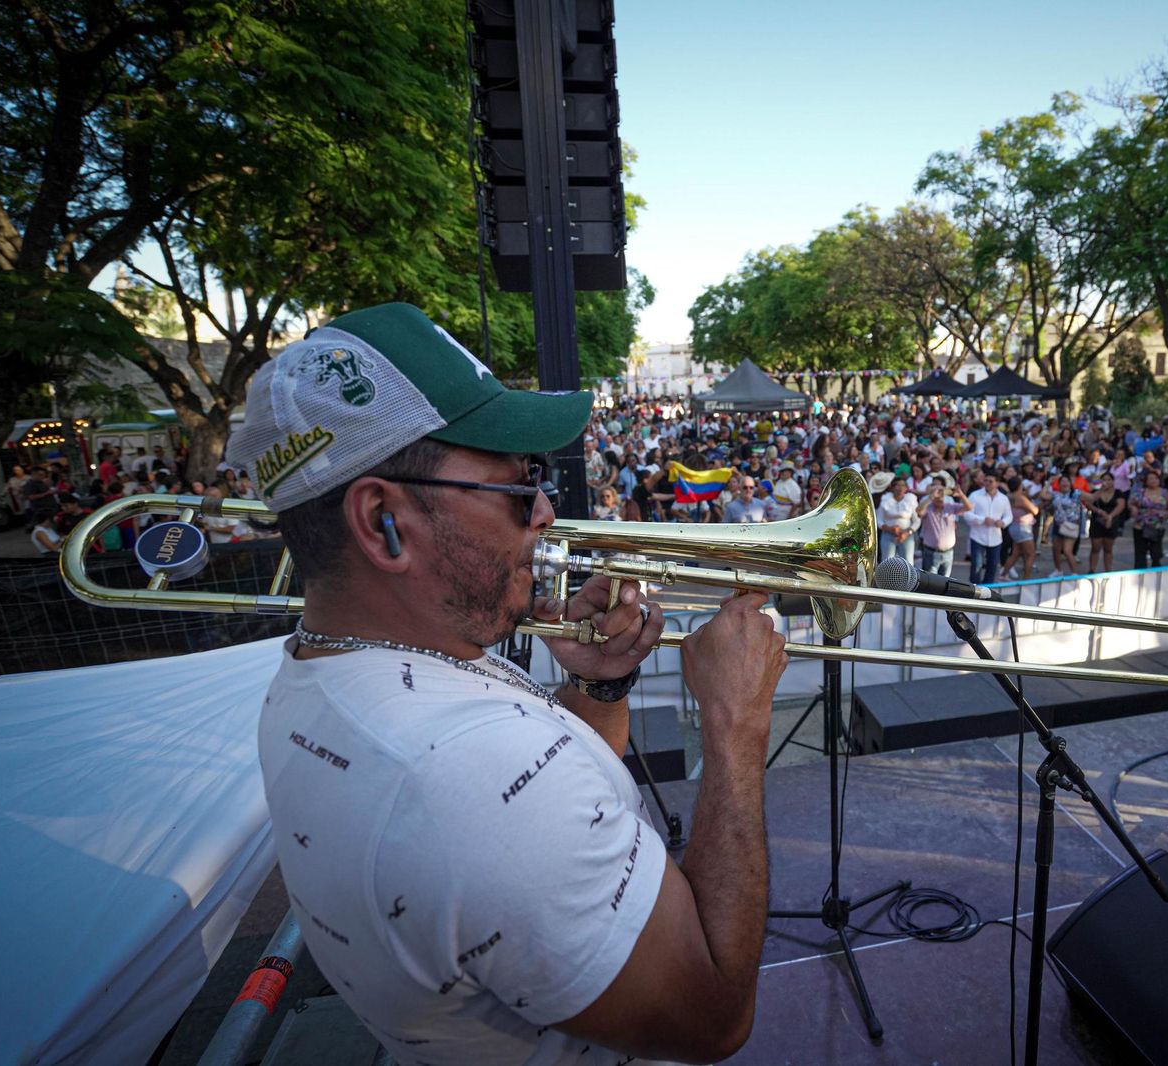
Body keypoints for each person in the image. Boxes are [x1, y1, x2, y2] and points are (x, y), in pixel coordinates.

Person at [226, 303, 787, 1065]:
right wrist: (734, 726)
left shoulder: (334, 663)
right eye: (519, 485)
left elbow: (534, 786)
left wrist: (600, 686)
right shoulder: (458, 779)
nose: (547, 513)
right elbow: (715, 1018)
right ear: (384, 520)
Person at [916, 475, 967, 578]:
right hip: (931, 552)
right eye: (934, 486)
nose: (939, 496)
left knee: (946, 582)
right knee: (930, 582)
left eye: (941, 492)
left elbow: (969, 507)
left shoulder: (949, 504)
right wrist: (931, 497)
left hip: (948, 553)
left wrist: (961, 495)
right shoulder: (927, 504)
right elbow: (919, 512)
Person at [966, 477, 1012, 585]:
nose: (987, 483)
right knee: (976, 565)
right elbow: (967, 514)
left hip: (996, 538)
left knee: (993, 565)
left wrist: (1003, 522)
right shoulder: (975, 495)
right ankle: (974, 589)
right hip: (978, 537)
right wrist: (982, 520)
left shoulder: (1003, 498)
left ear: (997, 483)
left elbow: (1009, 516)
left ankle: (987, 591)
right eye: (985, 480)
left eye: (990, 481)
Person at [1038, 475, 1084, 577]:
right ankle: (1058, 570)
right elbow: (1043, 495)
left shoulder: (1076, 493)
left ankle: (1075, 573)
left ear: (1070, 484)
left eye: (1067, 481)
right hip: (1058, 526)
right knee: (1055, 549)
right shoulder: (1055, 494)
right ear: (1058, 485)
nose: (1065, 483)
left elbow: (1092, 498)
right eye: (1062, 481)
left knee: (1067, 551)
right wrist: (1049, 482)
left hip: (1071, 526)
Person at [1127, 469, 1168, 569]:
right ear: (1146, 481)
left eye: (1156, 478)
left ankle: (1156, 572)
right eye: (1151, 479)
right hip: (1141, 525)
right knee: (1140, 553)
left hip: (1157, 526)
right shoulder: (1140, 492)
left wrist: (1166, 513)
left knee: (1156, 553)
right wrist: (1133, 508)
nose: (1153, 481)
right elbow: (1130, 503)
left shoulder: (1166, 493)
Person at [1085, 477, 1128, 573]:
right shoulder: (1096, 491)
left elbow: (1121, 506)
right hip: (1097, 521)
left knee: (1108, 548)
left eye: (1109, 480)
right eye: (1105, 480)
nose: (1107, 482)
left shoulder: (1118, 492)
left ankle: (1108, 570)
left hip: (1112, 521)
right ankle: (1092, 569)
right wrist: (1099, 511)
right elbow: (1088, 502)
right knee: (1095, 547)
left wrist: (1110, 517)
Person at [1001, 481, 1040, 580]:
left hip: (1014, 526)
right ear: (1019, 486)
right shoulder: (1020, 498)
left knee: (1016, 553)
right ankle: (1026, 579)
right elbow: (1035, 510)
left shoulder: (1009, 496)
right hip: (1023, 528)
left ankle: (1003, 575)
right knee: (1030, 554)